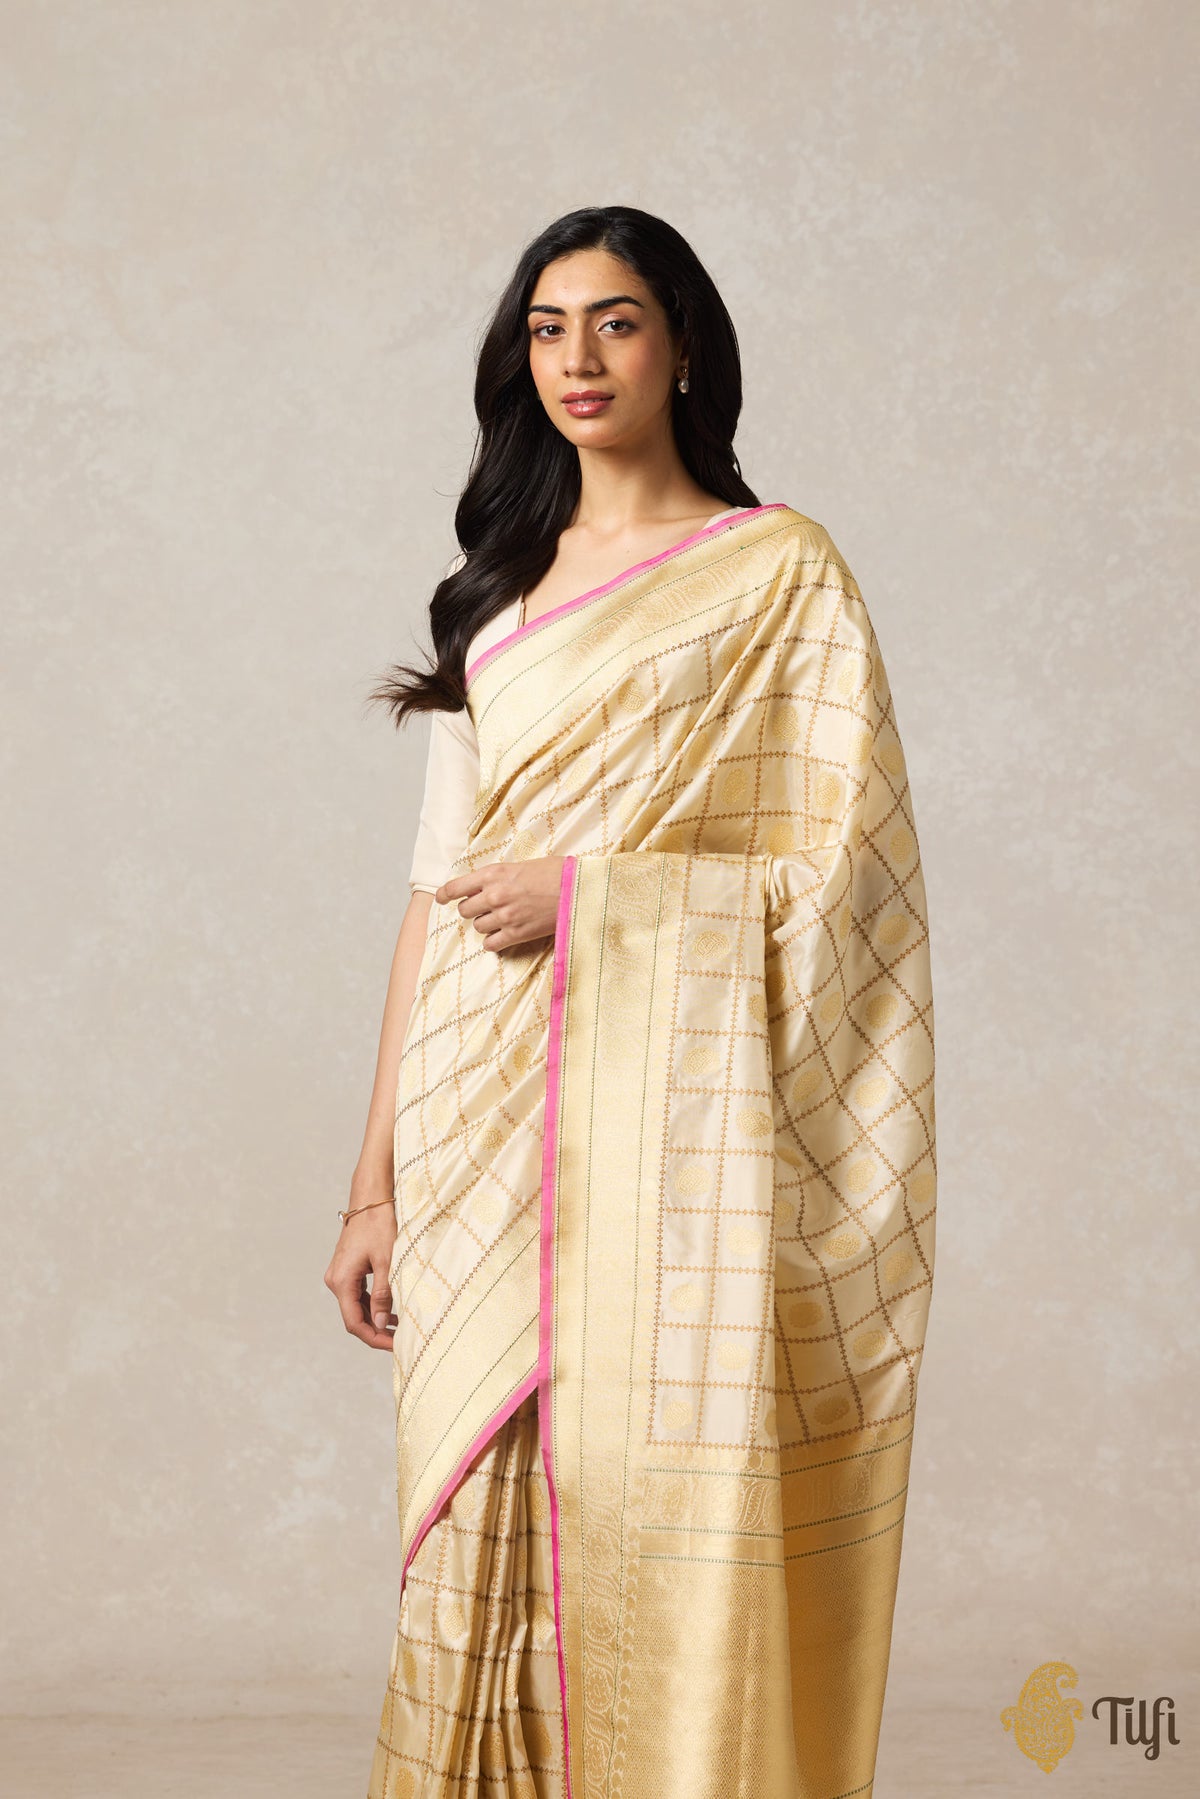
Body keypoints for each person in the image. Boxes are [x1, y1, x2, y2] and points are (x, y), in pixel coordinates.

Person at [325, 204, 938, 1799]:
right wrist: (371, 1184)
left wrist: (595, 900)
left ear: (681, 348)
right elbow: (431, 902)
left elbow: (846, 885)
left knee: (642, 1478)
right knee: (476, 1499)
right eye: (547, 328)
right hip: (476, 1115)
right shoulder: (493, 597)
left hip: (665, 1142)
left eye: (614, 321)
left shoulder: (778, 577)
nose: (577, 359)